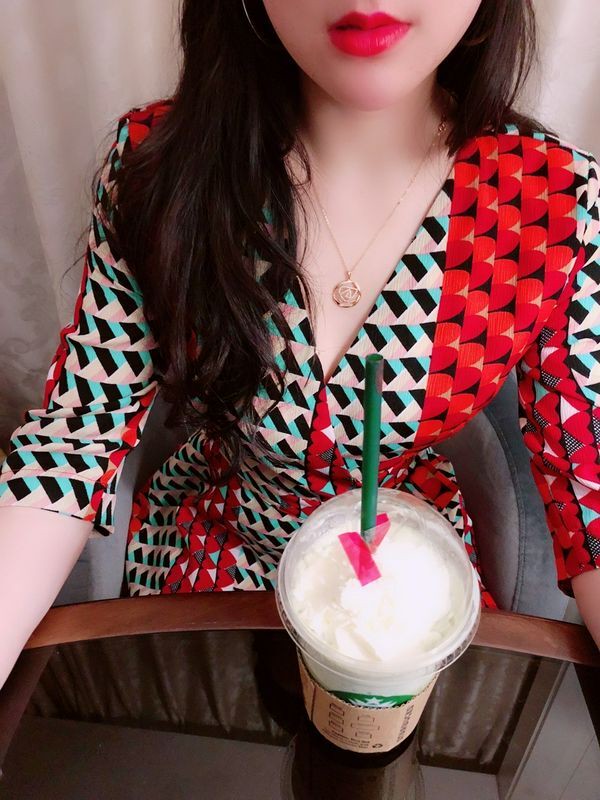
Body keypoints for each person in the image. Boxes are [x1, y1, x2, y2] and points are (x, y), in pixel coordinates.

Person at [1, 0, 599, 689]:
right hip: (217, 554)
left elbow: (589, 481)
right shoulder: (161, 167)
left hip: (404, 582)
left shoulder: (552, 204)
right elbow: (77, 437)